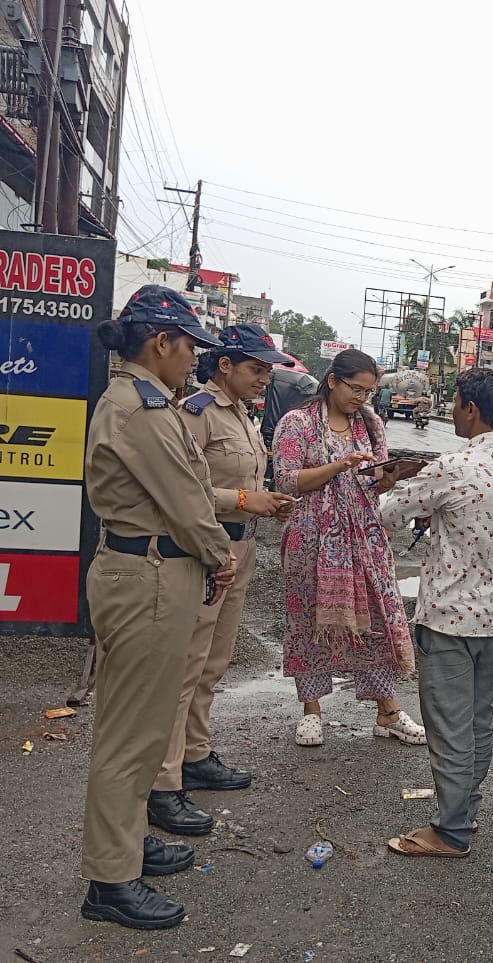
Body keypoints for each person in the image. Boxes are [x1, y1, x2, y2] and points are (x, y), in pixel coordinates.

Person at [79, 285, 236, 930]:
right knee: (131, 733)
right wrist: (221, 556)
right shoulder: (139, 409)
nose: (196, 358)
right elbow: (189, 503)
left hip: (154, 573)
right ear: (159, 343)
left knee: (143, 727)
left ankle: (129, 841)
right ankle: (110, 881)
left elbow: (191, 488)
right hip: (145, 576)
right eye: (190, 346)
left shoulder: (149, 402)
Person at [147, 325, 297, 838]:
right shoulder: (196, 414)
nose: (264, 379)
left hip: (242, 547)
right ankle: (163, 784)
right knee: (184, 667)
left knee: (213, 660)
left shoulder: (243, 416)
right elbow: (177, 490)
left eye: (268, 371)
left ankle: (194, 753)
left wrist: (264, 501)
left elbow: (244, 482)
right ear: (225, 365)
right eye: (256, 368)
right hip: (203, 551)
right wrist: (240, 500)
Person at [382, 368, 493, 858]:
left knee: (450, 728)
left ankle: (450, 832)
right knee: (476, 723)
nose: (449, 409)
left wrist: (391, 483)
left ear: (470, 409)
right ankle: (463, 813)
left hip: (449, 619)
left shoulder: (452, 466)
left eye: (453, 401)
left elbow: (387, 513)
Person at [272, 349, 424, 747]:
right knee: (310, 624)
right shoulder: (297, 424)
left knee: (375, 621)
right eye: (355, 388)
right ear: (333, 380)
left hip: (364, 538)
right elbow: (287, 482)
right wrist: (337, 467)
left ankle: (387, 711)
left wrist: (386, 481)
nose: (361, 398)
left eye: (368, 391)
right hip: (311, 538)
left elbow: (371, 482)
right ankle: (311, 711)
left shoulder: (370, 426)